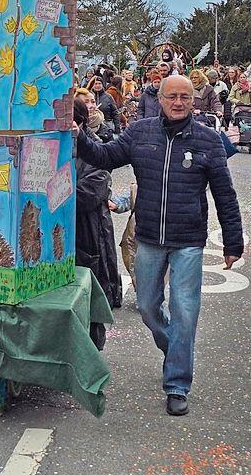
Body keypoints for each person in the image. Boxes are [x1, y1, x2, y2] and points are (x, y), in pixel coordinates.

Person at [73, 75, 243, 416]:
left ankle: (177, 383)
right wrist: (81, 138)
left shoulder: (209, 141)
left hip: (188, 242)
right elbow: (105, 156)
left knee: (185, 312)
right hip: (148, 238)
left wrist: (232, 242)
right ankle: (175, 347)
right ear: (161, 98)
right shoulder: (140, 132)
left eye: (185, 96)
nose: (178, 102)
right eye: (172, 96)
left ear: (193, 100)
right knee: (149, 307)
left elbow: (225, 196)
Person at [73, 98, 122, 351]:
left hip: (88, 234)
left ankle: (91, 350)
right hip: (65, 236)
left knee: (90, 291)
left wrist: (52, 194)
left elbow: (90, 192)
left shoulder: (96, 151)